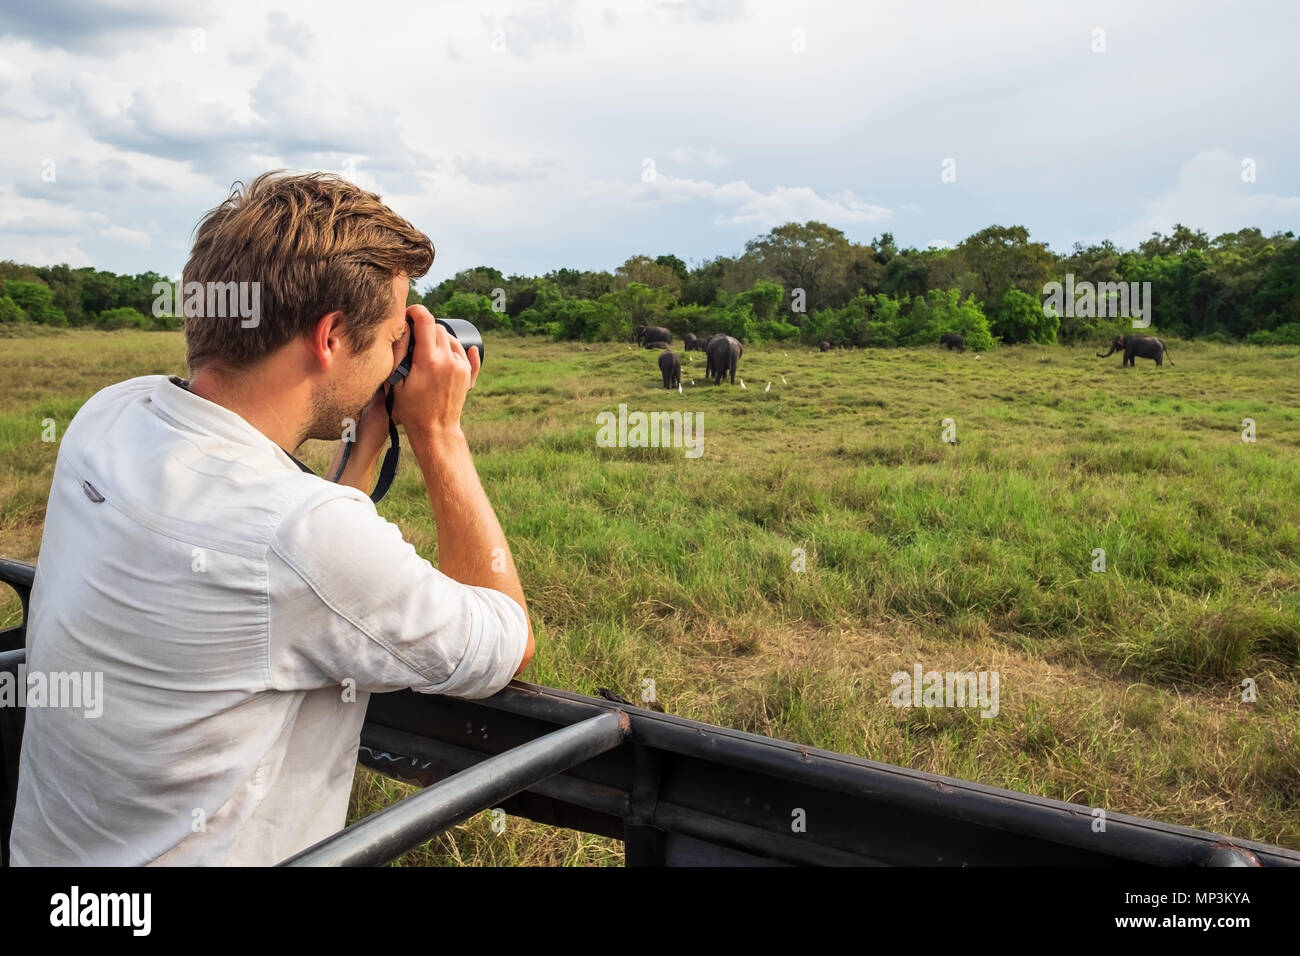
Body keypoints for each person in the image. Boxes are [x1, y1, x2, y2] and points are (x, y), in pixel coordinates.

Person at [9, 171, 534, 865]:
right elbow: (506, 639)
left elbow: (280, 534)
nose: (392, 360)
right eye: (386, 341)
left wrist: (361, 436)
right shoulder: (302, 537)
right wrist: (440, 435)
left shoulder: (109, 415)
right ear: (329, 337)